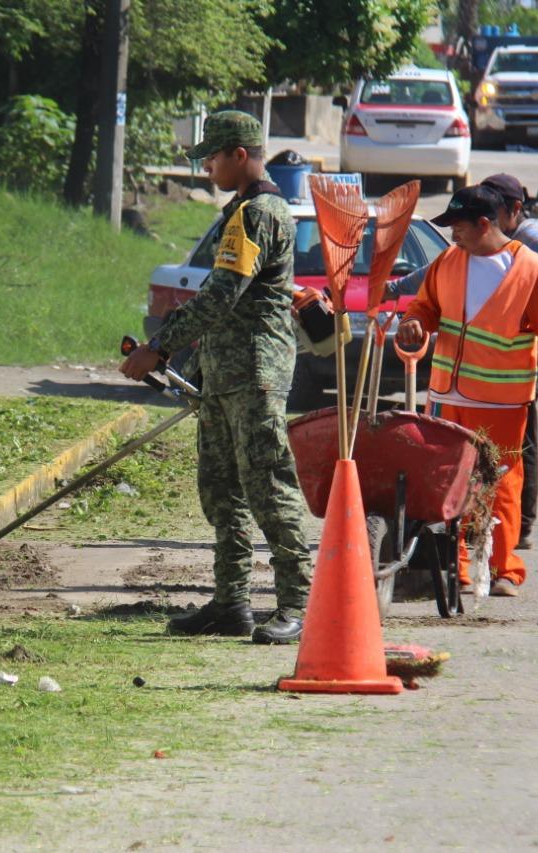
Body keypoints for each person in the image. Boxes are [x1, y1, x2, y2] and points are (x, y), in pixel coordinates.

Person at [119, 111, 312, 644]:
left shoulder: (257, 215)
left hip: (254, 373)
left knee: (269, 487)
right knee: (222, 492)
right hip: (226, 374)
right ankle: (232, 604)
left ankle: (297, 604)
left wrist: (159, 347)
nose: (207, 167)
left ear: (240, 155)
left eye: (213, 156)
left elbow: (222, 295)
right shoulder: (243, 212)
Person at [391, 173, 538, 550]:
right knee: (452, 478)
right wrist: (414, 322)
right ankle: (459, 565)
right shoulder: (448, 260)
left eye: (457, 228)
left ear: (484, 224)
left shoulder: (530, 268)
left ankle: (503, 568)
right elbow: (425, 306)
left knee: (501, 481)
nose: (452, 236)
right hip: (448, 396)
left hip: (502, 402)